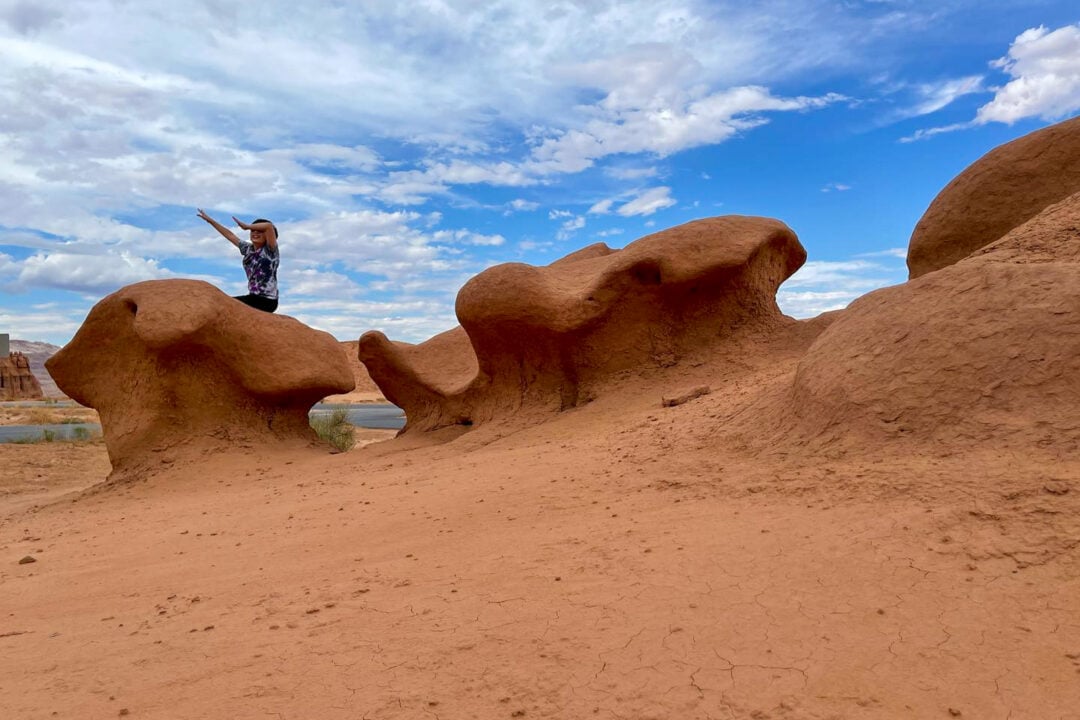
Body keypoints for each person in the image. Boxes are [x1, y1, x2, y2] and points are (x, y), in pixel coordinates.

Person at [197, 208, 280, 313]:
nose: (255, 233)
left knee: (223, 304)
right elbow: (230, 235)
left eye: (260, 231)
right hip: (253, 297)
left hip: (267, 300)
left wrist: (247, 226)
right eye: (253, 231)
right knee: (221, 302)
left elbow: (268, 226)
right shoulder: (247, 249)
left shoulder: (270, 250)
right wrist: (211, 221)